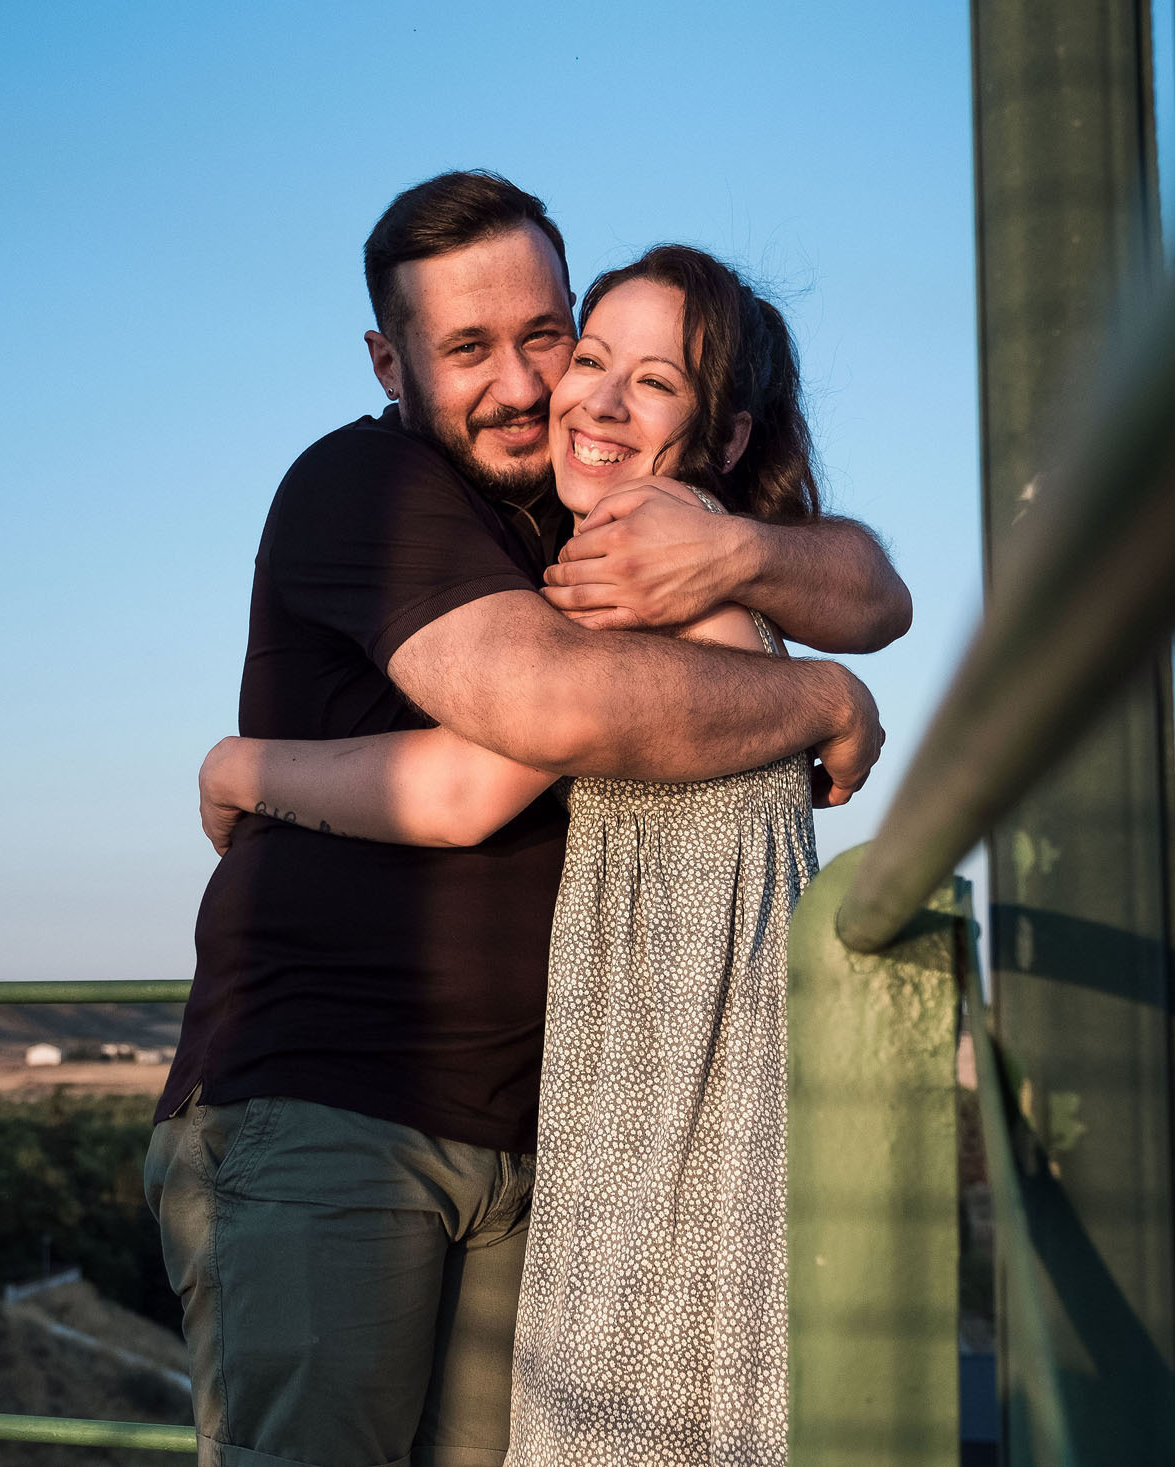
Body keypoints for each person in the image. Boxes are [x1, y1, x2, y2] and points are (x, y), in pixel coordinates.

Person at [147, 171, 908, 1467]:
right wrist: (819, 691)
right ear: (390, 362)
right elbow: (531, 725)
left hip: (533, 1148)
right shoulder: (364, 485)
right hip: (334, 1107)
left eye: (542, 336)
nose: (524, 384)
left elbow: (875, 587)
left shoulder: (611, 526)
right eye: (465, 349)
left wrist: (740, 558)